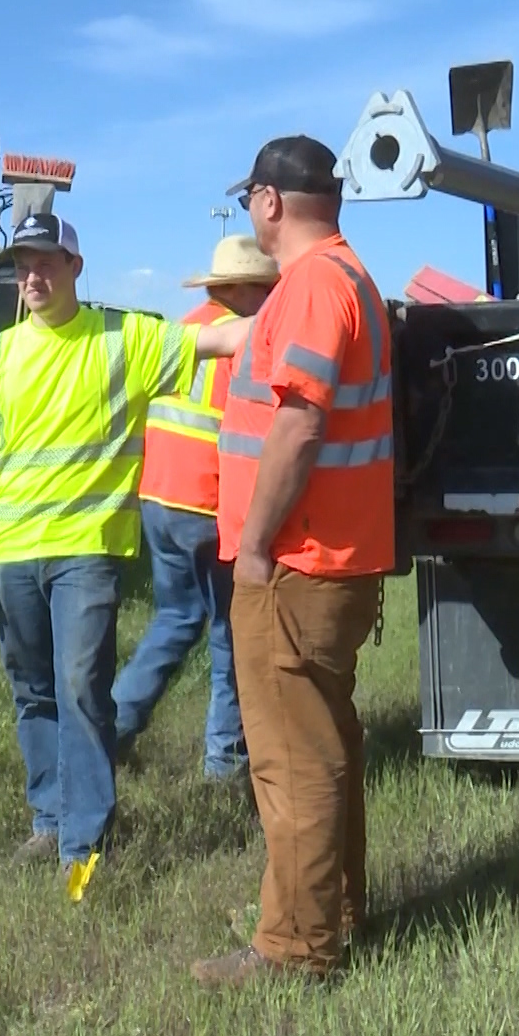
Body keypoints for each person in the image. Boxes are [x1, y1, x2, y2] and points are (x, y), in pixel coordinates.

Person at [0, 211, 251, 903]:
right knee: (34, 694)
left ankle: (84, 848)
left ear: (75, 267)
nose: (34, 274)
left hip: (86, 554)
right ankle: (49, 819)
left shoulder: (122, 341)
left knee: (81, 692)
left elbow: (223, 338)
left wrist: (298, 310)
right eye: (24, 261)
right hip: (13, 554)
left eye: (47, 261)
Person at [190, 134, 395, 984]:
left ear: (271, 201)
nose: (250, 213)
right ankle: (327, 914)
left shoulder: (312, 286)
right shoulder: (345, 278)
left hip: (297, 563)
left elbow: (300, 421)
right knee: (325, 746)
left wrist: (259, 548)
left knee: (291, 764)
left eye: (250, 201)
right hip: (330, 559)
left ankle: (295, 951)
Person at [112, 235, 278, 781]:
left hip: (159, 498)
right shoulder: (244, 341)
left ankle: (111, 731)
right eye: (265, 289)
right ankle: (225, 763)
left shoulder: (179, 331)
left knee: (174, 618)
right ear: (243, 289)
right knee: (229, 631)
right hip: (209, 504)